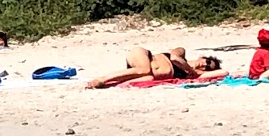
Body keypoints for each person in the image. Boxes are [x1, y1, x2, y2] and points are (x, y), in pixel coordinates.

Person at [85, 47, 224, 89]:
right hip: (143, 55)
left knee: (148, 77)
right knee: (144, 70)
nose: (204, 65)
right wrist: (191, 70)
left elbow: (225, 72)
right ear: (202, 57)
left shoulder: (193, 75)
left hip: (145, 71)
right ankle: (101, 79)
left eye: (207, 67)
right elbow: (175, 59)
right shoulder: (182, 53)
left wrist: (196, 74)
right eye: (207, 61)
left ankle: (108, 84)